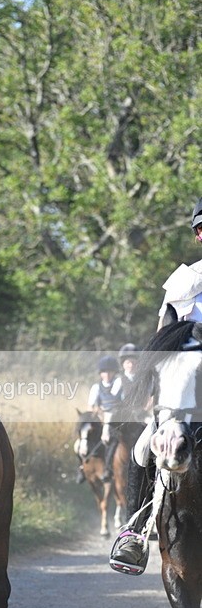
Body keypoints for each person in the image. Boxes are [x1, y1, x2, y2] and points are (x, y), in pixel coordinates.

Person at [110, 197, 202, 575]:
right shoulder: (183, 282)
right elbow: (162, 338)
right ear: (198, 235)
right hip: (186, 391)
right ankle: (134, 529)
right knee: (143, 445)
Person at [85, 355, 123, 483]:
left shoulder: (119, 384)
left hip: (116, 420)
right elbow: (91, 406)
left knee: (113, 440)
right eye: (104, 372)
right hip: (101, 419)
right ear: (100, 373)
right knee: (84, 438)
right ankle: (82, 468)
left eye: (110, 371)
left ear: (114, 372)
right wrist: (98, 413)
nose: (107, 374)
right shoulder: (96, 387)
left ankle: (108, 469)